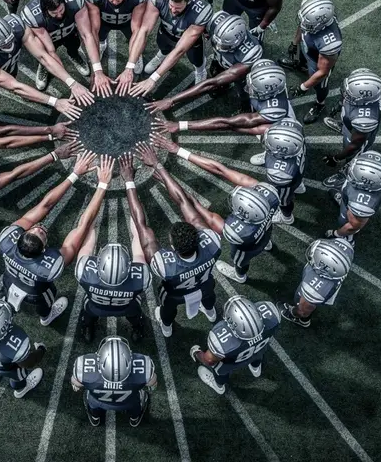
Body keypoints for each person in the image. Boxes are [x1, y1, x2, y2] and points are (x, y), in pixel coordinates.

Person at [0, 153, 112, 325]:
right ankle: (46, 317)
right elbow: (83, 225)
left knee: (7, 287)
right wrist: (102, 184)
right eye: (42, 234)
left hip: (10, 279)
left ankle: (6, 301)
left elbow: (46, 205)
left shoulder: (6, 241)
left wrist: (75, 174)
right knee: (45, 302)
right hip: (37, 292)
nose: (39, 228)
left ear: (20, 236)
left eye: (34, 230)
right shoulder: (50, 267)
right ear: (44, 249)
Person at [148, 135, 279, 285]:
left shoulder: (236, 231)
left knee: (241, 262)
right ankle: (267, 243)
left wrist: (180, 191)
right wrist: (178, 151)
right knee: (265, 233)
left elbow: (202, 211)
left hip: (247, 248)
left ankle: (239, 275)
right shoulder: (270, 197)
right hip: (265, 230)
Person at [131, 146, 222, 335]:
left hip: (176, 294)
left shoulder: (166, 266)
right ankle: (211, 312)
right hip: (204, 284)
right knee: (209, 293)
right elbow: (183, 202)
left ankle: (166, 326)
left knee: (167, 307)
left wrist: (129, 182)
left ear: (173, 247)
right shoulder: (212, 243)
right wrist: (158, 166)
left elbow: (141, 225)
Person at [75, 172, 151, 342]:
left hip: (95, 307)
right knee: (135, 315)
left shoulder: (84, 272)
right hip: (127, 308)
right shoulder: (140, 278)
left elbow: (88, 238)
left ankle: (88, 327)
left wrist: (91, 213)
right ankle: (137, 329)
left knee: (88, 313)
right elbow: (138, 240)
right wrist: (135, 210)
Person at [0, 13, 84, 117]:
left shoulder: (17, 25)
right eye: (4, 44)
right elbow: (15, 87)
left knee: (15, 77)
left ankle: (30, 94)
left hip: (10, 66)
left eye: (11, 40)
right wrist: (55, 102)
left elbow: (43, 57)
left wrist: (72, 83)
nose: (10, 45)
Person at [145, 11, 263, 113]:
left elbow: (212, 82)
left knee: (244, 91)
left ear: (235, 43)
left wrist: (171, 100)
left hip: (241, 74)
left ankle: (246, 106)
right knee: (215, 71)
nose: (217, 45)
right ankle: (222, 89)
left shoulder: (249, 55)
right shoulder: (216, 21)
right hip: (221, 60)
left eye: (222, 44)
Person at [151, 63, 294, 146]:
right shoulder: (264, 70)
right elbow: (214, 82)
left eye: (253, 88)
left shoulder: (273, 111)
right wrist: (172, 100)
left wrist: (180, 125)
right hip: (264, 111)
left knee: (269, 140)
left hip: (281, 132)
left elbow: (227, 123)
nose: (248, 87)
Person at [128, 0, 212, 94]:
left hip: (187, 39)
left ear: (187, 2)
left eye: (178, 8)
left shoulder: (201, 12)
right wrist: (130, 66)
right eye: (171, 5)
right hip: (166, 30)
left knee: (196, 59)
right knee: (163, 46)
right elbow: (144, 30)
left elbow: (179, 50)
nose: (173, 10)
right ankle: (160, 57)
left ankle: (200, 71)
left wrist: (153, 79)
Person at [190, 296, 280, 394]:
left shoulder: (221, 342)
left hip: (232, 362)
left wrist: (198, 354)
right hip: (258, 351)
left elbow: (209, 360)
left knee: (220, 371)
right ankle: (255, 368)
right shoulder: (273, 315)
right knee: (258, 354)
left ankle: (219, 387)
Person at [21, 0, 105, 92]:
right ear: (45, 9)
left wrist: (97, 70)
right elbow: (51, 51)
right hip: (50, 36)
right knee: (45, 52)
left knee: (74, 45)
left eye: (61, 10)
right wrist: (71, 83)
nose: (59, 15)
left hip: (69, 30)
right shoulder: (33, 16)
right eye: (54, 13)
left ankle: (74, 55)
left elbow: (87, 35)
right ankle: (45, 66)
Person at [279, 0, 343, 124]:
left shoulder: (329, 43)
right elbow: (303, 26)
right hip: (308, 47)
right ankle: (300, 64)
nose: (303, 23)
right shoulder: (313, 18)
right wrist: (295, 43)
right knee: (303, 56)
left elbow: (322, 72)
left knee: (320, 85)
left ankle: (320, 104)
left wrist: (302, 87)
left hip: (317, 60)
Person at [83, 0, 150, 95]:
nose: (114, 2)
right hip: (104, 21)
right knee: (99, 37)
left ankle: (136, 54)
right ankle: (102, 46)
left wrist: (130, 66)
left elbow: (137, 30)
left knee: (135, 38)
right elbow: (94, 30)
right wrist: (96, 69)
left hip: (128, 21)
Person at [71, 336, 156, 427]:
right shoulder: (144, 371)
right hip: (127, 403)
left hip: (99, 402)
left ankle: (95, 418)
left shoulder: (83, 370)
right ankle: (134, 418)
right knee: (136, 405)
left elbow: (76, 383)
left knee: (92, 402)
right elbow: (152, 383)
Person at [321, 68, 381, 188]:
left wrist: (336, 158)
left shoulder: (364, 120)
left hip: (358, 136)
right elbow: (346, 96)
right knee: (349, 124)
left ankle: (345, 173)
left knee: (353, 157)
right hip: (353, 123)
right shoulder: (368, 90)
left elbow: (355, 146)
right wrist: (339, 106)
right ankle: (345, 126)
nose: (346, 92)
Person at [279, 238, 354, 328]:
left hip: (318, 290)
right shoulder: (345, 251)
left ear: (325, 267)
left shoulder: (313, 289)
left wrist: (297, 312)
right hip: (330, 284)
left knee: (303, 307)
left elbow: (304, 310)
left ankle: (301, 320)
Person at [326, 151, 381, 245]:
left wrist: (337, 234)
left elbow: (352, 226)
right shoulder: (378, 173)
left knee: (345, 221)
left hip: (354, 205)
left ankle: (348, 239)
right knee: (346, 199)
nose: (350, 171)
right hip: (353, 196)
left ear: (365, 183)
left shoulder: (362, 204)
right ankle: (344, 201)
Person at [251, 119, 308, 225]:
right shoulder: (295, 127)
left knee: (283, 201)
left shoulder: (279, 173)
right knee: (297, 178)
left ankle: (286, 218)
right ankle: (299, 186)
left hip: (287, 180)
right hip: (298, 170)